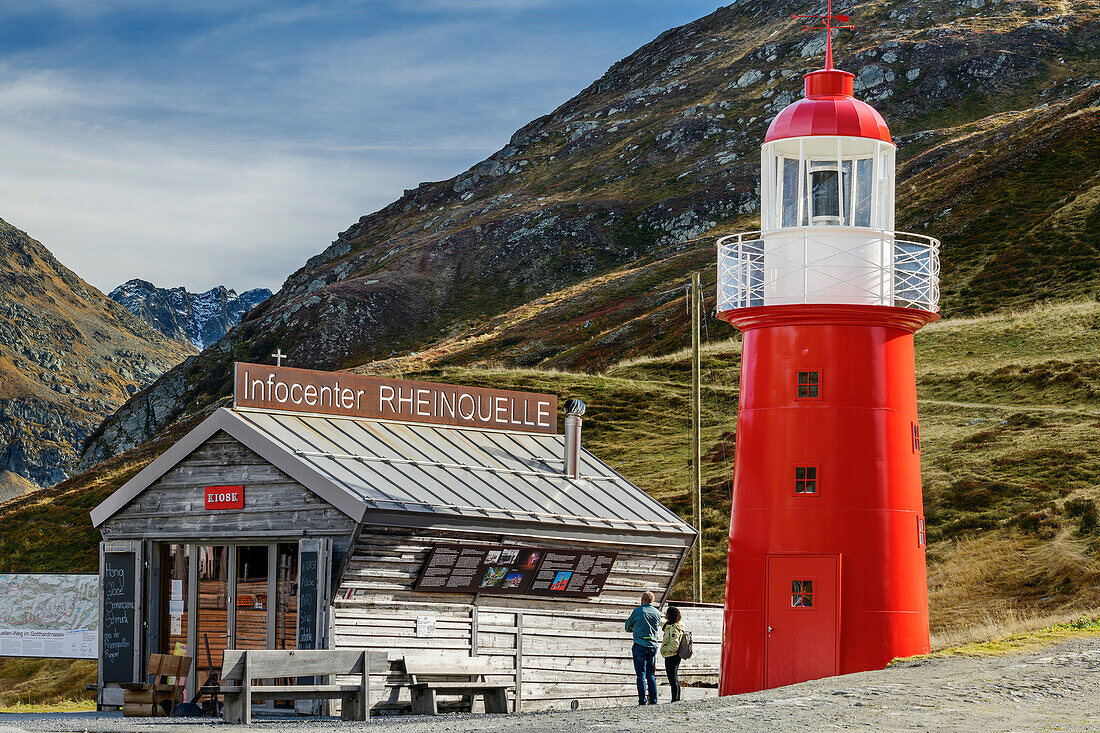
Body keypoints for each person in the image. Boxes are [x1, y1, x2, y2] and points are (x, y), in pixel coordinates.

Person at [624, 590, 661, 705]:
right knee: (651, 674)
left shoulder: (638, 611)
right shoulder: (657, 613)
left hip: (640, 645)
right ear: (652, 601)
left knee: (641, 675)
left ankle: (642, 700)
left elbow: (627, 626)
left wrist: (633, 628)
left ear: (642, 600)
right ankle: (654, 700)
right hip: (652, 646)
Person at [660, 605, 685, 702]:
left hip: (672, 656)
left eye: (666, 613)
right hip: (672, 656)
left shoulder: (674, 628)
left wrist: (664, 649)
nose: (665, 614)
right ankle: (675, 699)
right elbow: (664, 624)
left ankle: (675, 700)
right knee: (673, 678)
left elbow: (675, 645)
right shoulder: (672, 625)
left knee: (673, 679)